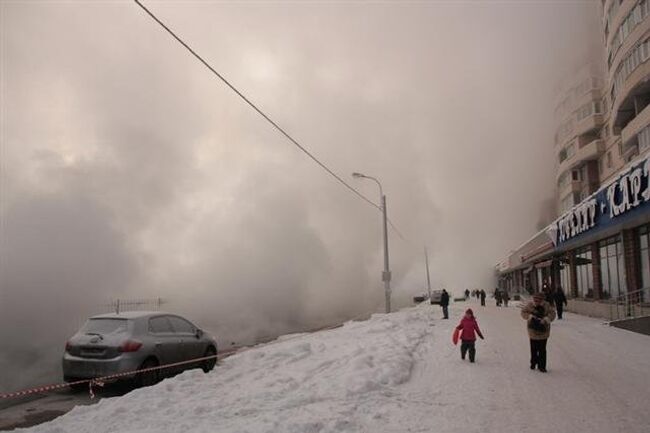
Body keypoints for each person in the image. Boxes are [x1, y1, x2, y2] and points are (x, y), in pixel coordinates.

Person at [521, 292, 556, 372]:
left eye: (539, 299)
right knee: (533, 348)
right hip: (532, 330)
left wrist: (546, 319)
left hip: (543, 330)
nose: (536, 301)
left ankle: (542, 366)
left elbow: (553, 314)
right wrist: (530, 317)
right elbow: (523, 312)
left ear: (542, 299)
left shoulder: (546, 305)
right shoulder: (530, 305)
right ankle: (533, 362)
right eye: (535, 299)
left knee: (542, 349)